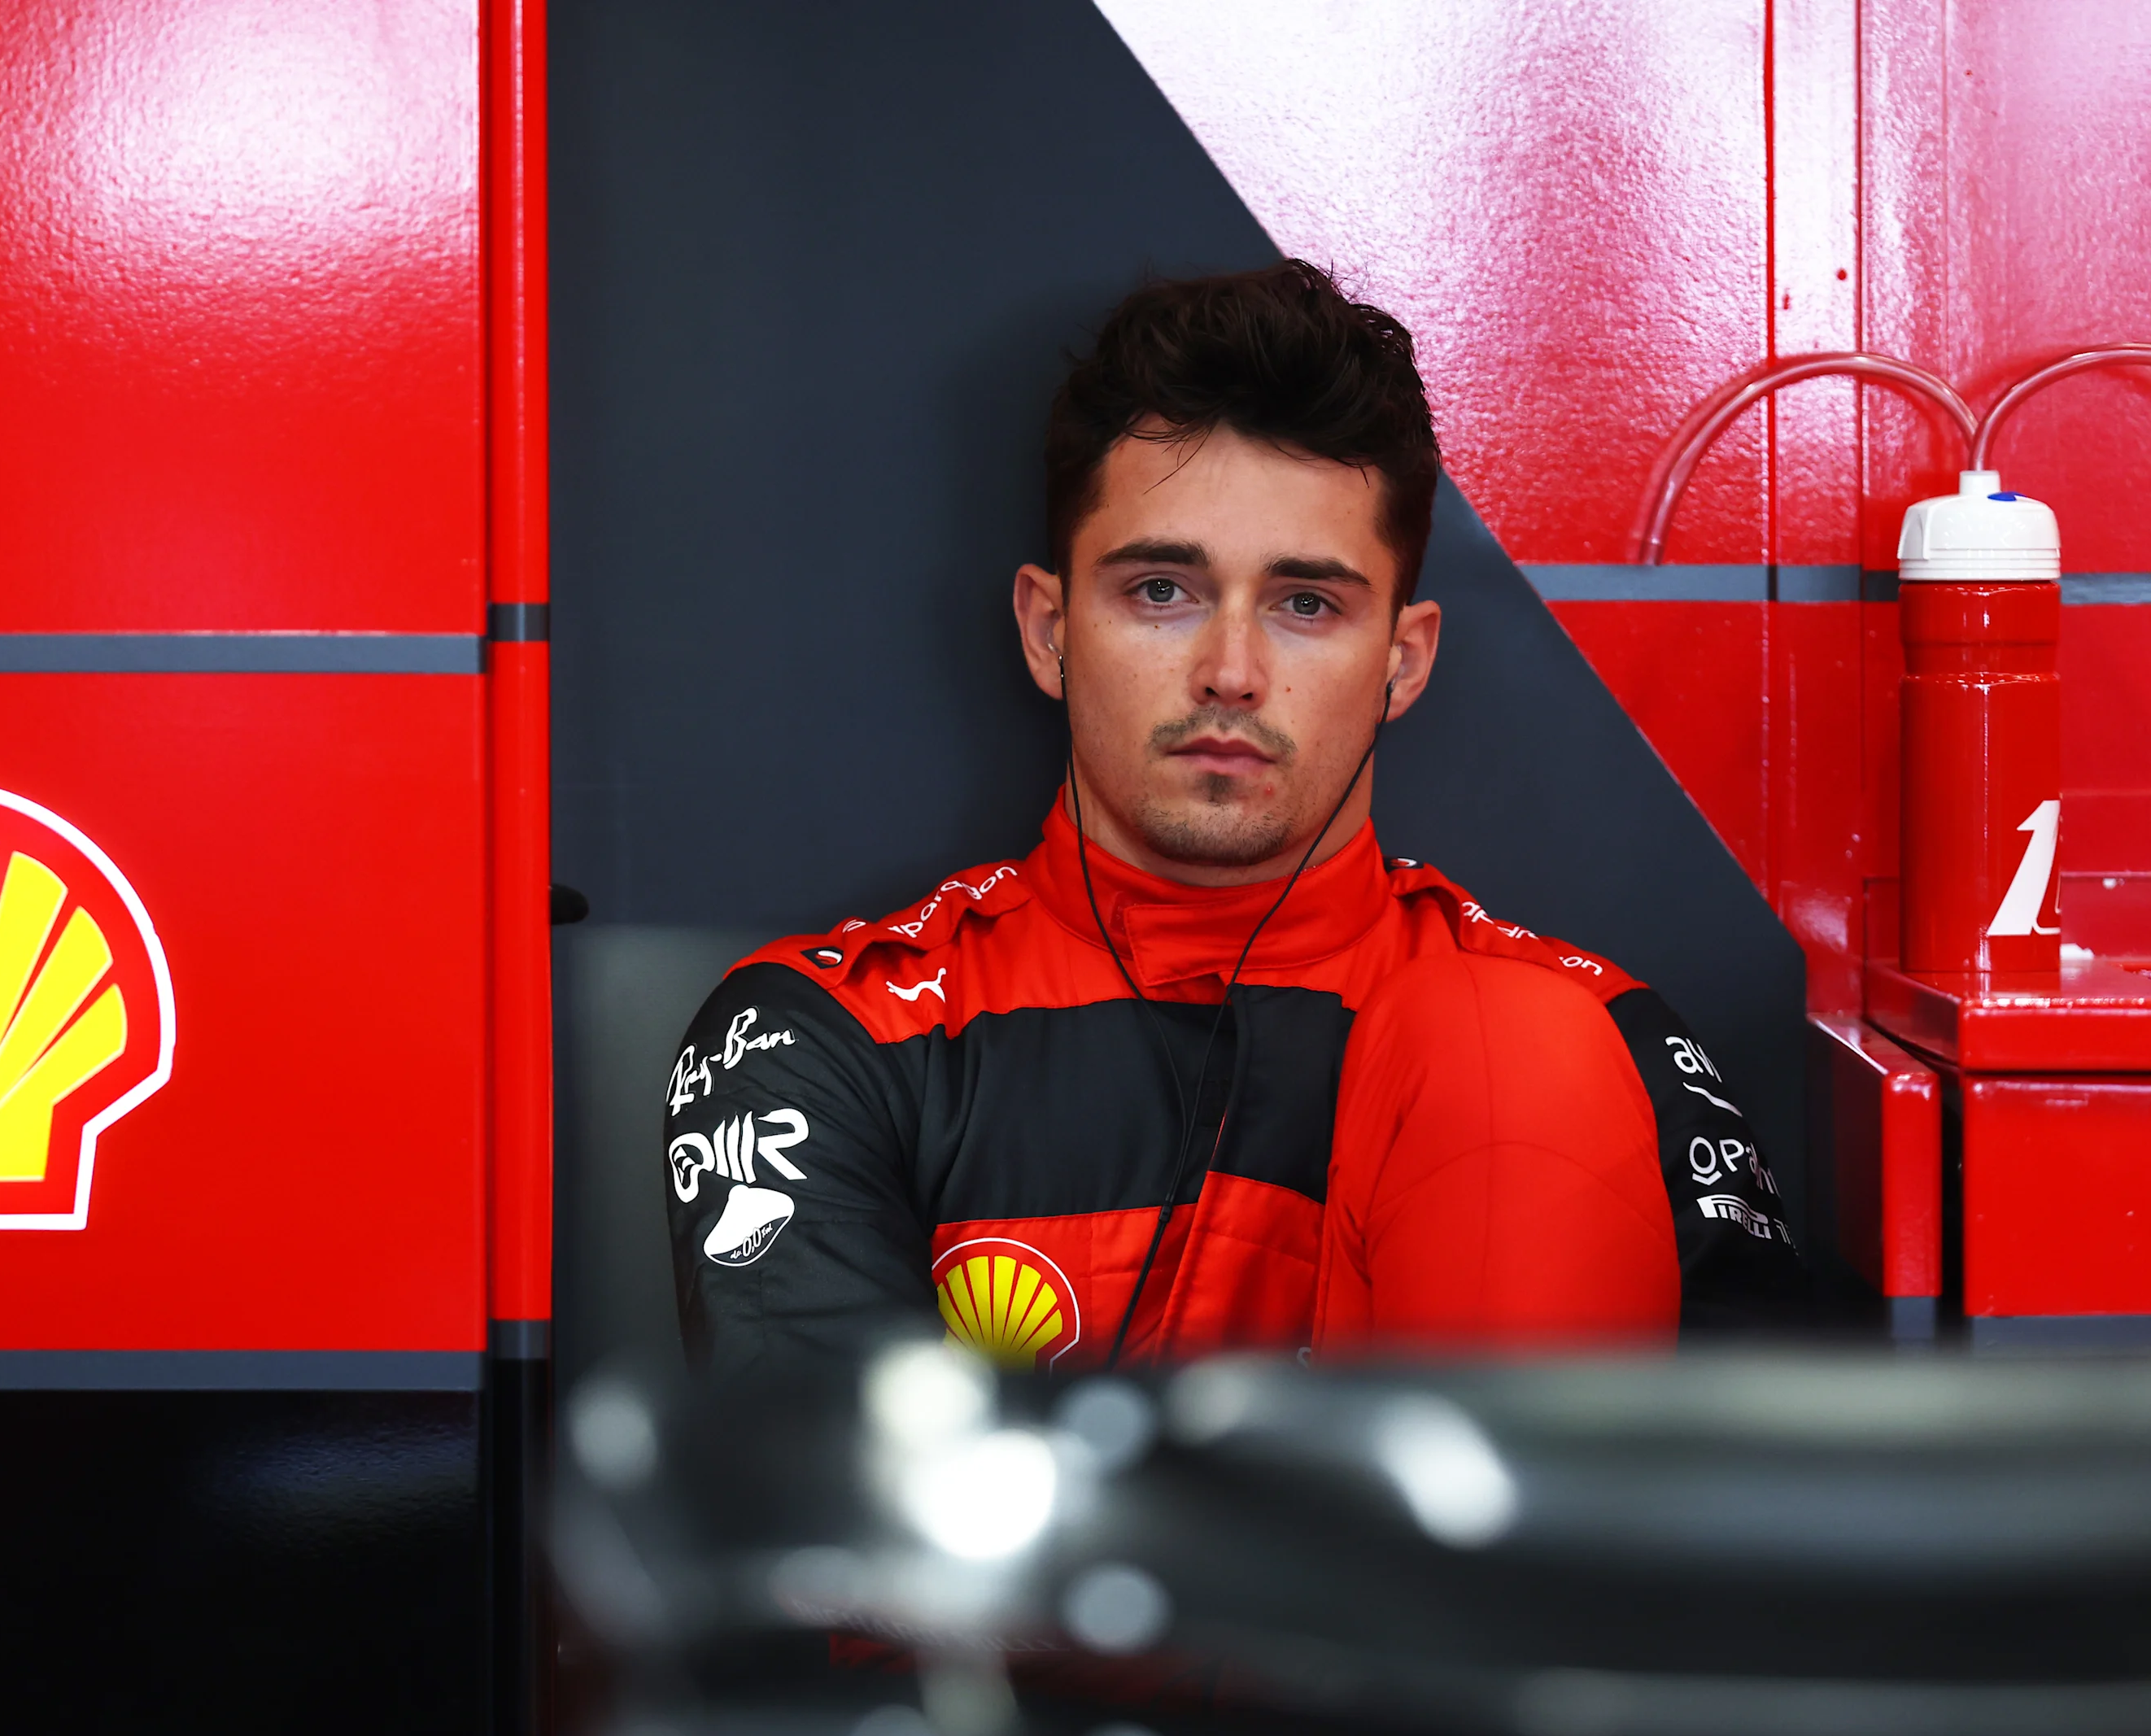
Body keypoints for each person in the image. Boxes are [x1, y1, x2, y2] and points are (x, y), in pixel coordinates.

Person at [665, 260, 1800, 1377]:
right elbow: (836, 1511)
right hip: (1016, 1571)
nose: (1232, 671)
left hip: (1421, 1557)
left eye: (1307, 604)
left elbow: (1741, 1512)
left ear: (1403, 665)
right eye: (1162, 590)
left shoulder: (1607, 1038)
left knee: (1515, 1046)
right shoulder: (832, 1036)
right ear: (1050, 631)